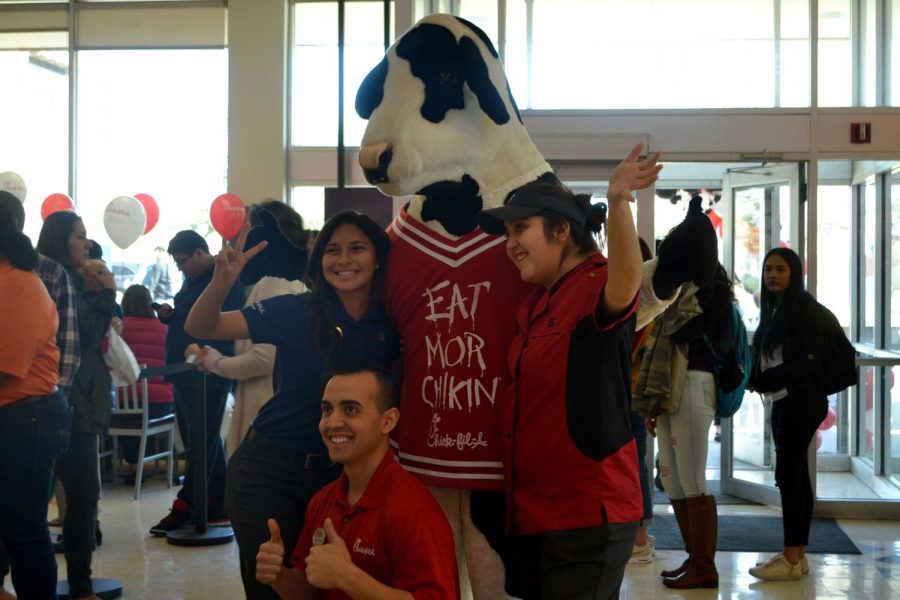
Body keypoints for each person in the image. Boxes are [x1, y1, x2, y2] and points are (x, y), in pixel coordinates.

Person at [476, 142, 660, 600]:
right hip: (536, 515)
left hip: (585, 516)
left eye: (521, 229)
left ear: (561, 231)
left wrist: (617, 203)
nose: (510, 244)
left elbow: (626, 281)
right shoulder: (539, 302)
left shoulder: (596, 283)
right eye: (507, 233)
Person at [184, 210, 400, 600]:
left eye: (357, 248)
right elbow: (202, 327)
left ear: (378, 257)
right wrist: (221, 283)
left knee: (325, 587)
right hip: (268, 471)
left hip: (340, 479)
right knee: (273, 587)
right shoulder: (297, 310)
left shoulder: (389, 322)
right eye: (332, 250)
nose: (344, 260)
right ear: (320, 261)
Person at [255, 362, 459, 599]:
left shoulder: (414, 512)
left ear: (388, 421)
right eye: (327, 410)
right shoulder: (322, 501)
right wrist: (279, 576)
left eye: (350, 410)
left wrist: (348, 578)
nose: (332, 423)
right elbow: (309, 592)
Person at [37, 210, 117, 600]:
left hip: (69, 402)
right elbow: (88, 332)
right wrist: (106, 294)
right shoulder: (60, 281)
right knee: (81, 498)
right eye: (80, 236)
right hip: (72, 405)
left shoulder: (56, 278)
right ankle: (81, 589)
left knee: (35, 498)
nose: (87, 243)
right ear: (59, 239)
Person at [642, 262, 734, 589]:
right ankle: (694, 558)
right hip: (668, 386)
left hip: (695, 382)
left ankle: (705, 566)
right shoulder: (674, 291)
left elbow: (681, 332)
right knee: (671, 478)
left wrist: (665, 305)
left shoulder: (716, 293)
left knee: (692, 477)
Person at [0, 199, 73, 600]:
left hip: (26, 418)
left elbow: (6, 367)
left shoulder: (18, 285)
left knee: (24, 530)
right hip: (15, 417)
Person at [150, 230, 245, 535]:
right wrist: (170, 315)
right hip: (184, 372)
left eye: (181, 262)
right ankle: (217, 501)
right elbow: (191, 318)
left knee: (199, 443)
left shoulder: (223, 281)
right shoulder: (192, 280)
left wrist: (206, 360)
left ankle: (188, 504)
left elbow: (222, 325)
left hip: (206, 374)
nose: (178, 268)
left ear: (199, 254)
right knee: (201, 440)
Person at [196, 201, 307, 457]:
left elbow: (263, 359)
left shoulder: (274, 283)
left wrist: (215, 362)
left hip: (264, 410)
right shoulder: (285, 281)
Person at [748, 247, 826, 581]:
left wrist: (768, 379)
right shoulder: (777, 308)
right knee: (796, 477)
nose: (773, 276)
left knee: (787, 477)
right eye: (768, 270)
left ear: (794, 272)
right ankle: (799, 555)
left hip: (801, 402)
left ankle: (791, 557)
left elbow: (807, 360)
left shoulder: (803, 309)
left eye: (780, 269)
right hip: (786, 400)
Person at [119, 284, 174, 483]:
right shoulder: (164, 329)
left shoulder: (118, 328)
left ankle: (133, 466)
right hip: (159, 404)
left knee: (129, 415)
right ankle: (167, 466)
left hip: (120, 404)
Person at [627, 238, 656, 566]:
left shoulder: (643, 301)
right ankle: (638, 537)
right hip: (632, 394)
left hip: (631, 395)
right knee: (637, 464)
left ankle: (639, 539)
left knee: (635, 465)